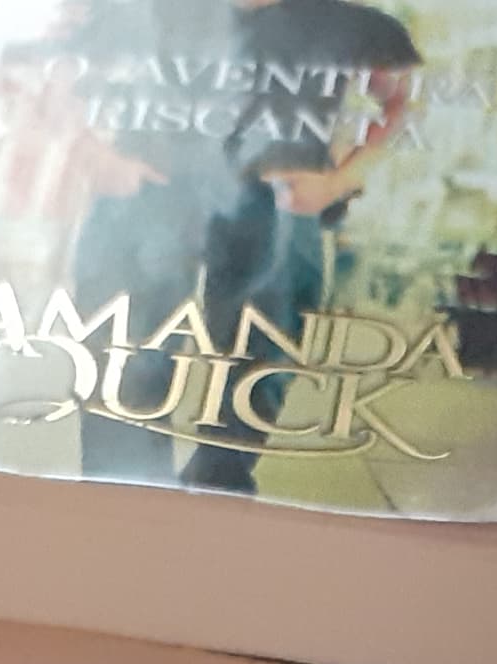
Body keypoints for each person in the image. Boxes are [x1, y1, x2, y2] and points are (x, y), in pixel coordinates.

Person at [57, 0, 421, 492]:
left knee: (261, 360)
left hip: (278, 198)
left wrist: (340, 181)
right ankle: (121, 497)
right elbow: (55, 70)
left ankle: (217, 491)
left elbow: (406, 104)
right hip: (149, 191)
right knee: (124, 354)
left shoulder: (350, 23)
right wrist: (92, 152)